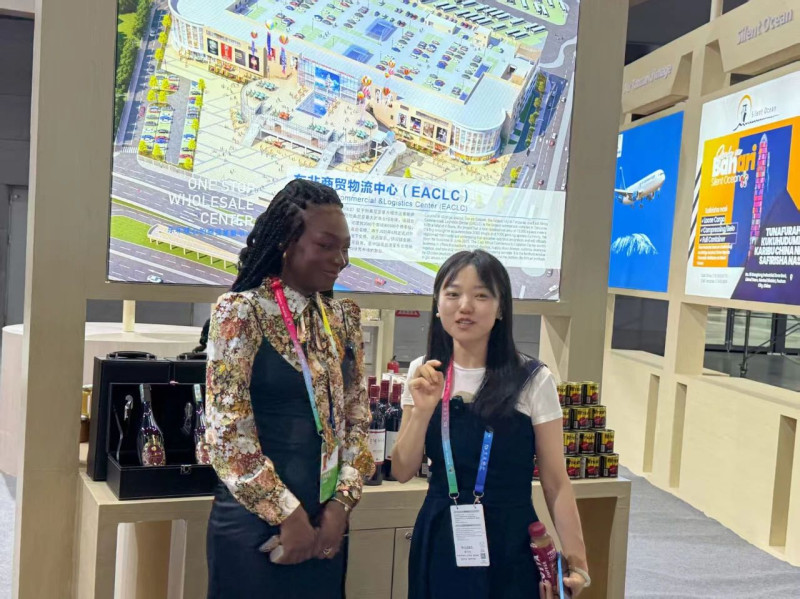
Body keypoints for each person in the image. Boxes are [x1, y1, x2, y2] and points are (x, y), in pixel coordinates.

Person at [205, 179, 374, 598]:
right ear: (286, 243)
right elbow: (227, 437)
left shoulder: (343, 319)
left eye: (345, 248)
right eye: (326, 246)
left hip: (325, 524)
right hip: (257, 525)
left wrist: (341, 505)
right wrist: (287, 515)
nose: (340, 260)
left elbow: (357, 421)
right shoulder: (241, 312)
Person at [391, 250, 590, 599]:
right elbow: (403, 470)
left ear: (500, 308)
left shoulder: (533, 378)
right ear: (438, 305)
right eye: (453, 294)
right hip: (441, 535)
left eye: (481, 295)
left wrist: (578, 565)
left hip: (510, 539)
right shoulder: (425, 371)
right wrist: (422, 411)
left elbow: (556, 483)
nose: (465, 306)